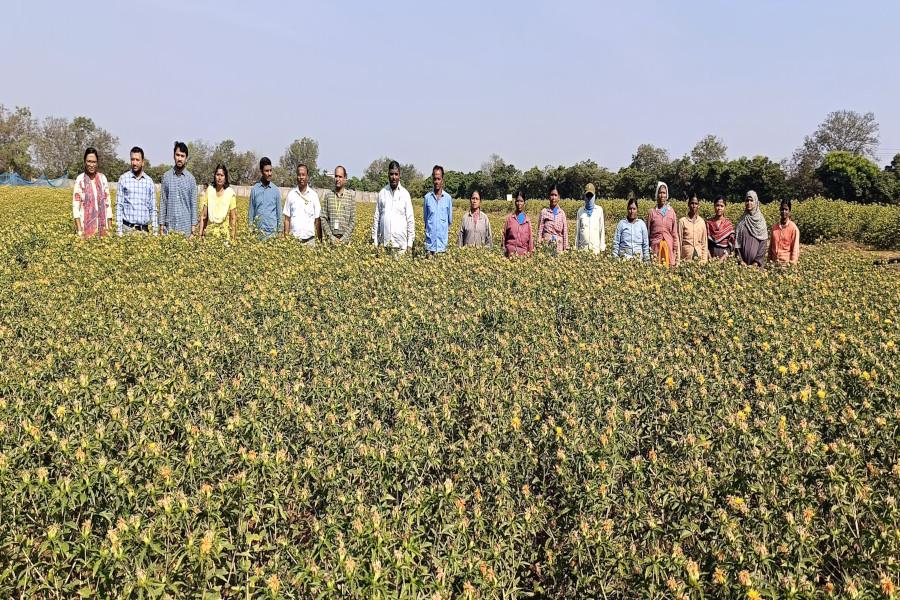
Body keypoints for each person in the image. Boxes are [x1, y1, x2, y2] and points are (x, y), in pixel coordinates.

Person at [372, 160, 414, 253]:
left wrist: (409, 245)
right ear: (388, 174)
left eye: (396, 174)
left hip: (401, 247)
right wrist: (375, 242)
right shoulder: (382, 193)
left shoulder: (405, 194)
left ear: (399, 175)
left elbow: (410, 220)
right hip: (384, 246)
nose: (394, 177)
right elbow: (376, 219)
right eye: (391, 174)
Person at [159, 141, 198, 236]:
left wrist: (193, 229)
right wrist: (161, 226)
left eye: (182, 156)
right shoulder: (166, 177)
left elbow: (194, 204)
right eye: (177, 155)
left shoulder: (191, 179)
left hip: (186, 229)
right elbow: (163, 202)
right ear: (173, 156)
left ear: (186, 158)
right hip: (169, 229)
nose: (179, 158)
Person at [116, 146, 157, 235]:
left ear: (143, 162)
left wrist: (155, 232)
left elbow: (153, 208)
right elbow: (119, 206)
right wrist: (119, 232)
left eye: (137, 160)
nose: (134, 163)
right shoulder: (123, 179)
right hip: (127, 230)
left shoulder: (149, 181)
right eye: (132, 159)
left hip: (144, 231)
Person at [72, 147, 111, 238]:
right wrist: (79, 231)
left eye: (94, 162)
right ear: (85, 162)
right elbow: (75, 207)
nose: (91, 164)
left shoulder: (102, 179)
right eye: (89, 161)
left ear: (97, 163)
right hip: (85, 230)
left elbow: (107, 205)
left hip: (102, 230)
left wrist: (109, 228)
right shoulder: (80, 180)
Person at [283, 163, 321, 245]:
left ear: (307, 176)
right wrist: (286, 239)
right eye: (299, 175)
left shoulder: (314, 195)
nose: (301, 177)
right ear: (296, 176)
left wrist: (320, 240)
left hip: (310, 241)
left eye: (303, 175)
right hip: (293, 240)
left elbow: (317, 220)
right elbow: (287, 219)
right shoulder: (291, 194)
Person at [199, 164, 237, 242]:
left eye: (222, 175)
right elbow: (204, 216)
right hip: (209, 235)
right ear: (214, 176)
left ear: (225, 177)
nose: (219, 178)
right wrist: (200, 235)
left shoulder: (230, 193)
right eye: (217, 175)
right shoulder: (209, 190)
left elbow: (233, 218)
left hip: (224, 237)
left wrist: (233, 239)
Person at [248, 157, 282, 239]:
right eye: (267, 171)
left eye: (271, 170)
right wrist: (250, 230)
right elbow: (251, 212)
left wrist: (280, 232)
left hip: (272, 234)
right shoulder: (255, 190)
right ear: (261, 171)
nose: (269, 173)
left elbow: (279, 213)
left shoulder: (275, 190)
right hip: (257, 233)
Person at [320, 165, 355, 244]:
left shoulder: (350, 197)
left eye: (340, 176)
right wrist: (331, 238)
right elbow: (323, 218)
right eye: (336, 176)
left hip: (345, 242)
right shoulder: (328, 196)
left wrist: (343, 239)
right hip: (330, 242)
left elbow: (352, 221)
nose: (337, 179)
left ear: (345, 178)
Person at [423, 165, 453, 255]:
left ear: (442, 180)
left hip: (442, 247)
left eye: (439, 179)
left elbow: (449, 221)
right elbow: (426, 219)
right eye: (435, 179)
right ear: (432, 179)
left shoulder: (448, 198)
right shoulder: (427, 198)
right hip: (429, 246)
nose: (436, 181)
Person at [647, 181, 678, 266]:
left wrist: (675, 251)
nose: (662, 195)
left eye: (664, 193)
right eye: (660, 193)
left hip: (668, 248)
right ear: (657, 195)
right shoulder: (652, 212)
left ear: (666, 195)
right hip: (655, 248)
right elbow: (648, 233)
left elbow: (674, 233)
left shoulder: (671, 212)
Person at [735, 190, 768, 267]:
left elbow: (763, 244)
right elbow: (737, 243)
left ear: (756, 202)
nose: (749, 203)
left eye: (751, 200)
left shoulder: (761, 221)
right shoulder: (742, 221)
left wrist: (756, 262)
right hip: (742, 267)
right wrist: (740, 261)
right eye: (747, 200)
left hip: (756, 267)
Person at [574, 182, 605, 254]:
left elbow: (601, 230)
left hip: (595, 251)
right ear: (584, 196)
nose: (589, 198)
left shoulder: (599, 210)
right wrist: (576, 248)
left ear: (594, 196)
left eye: (591, 196)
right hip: (582, 251)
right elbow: (577, 231)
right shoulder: (580, 211)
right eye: (587, 196)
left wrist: (602, 248)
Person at [537, 184, 568, 253]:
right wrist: (538, 246)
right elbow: (539, 231)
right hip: (546, 246)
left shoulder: (562, 213)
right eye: (551, 195)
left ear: (559, 197)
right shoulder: (544, 212)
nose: (553, 198)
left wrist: (565, 249)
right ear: (548, 196)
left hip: (559, 248)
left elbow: (565, 233)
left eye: (555, 195)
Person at [768, 199, 800, 265]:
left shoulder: (793, 228)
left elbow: (795, 249)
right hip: (773, 264)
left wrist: (792, 264)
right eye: (782, 209)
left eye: (786, 209)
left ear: (789, 211)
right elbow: (771, 247)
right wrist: (768, 262)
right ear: (780, 210)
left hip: (786, 264)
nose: (784, 212)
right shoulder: (774, 228)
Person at [679, 193, 709, 263]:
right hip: (686, 258)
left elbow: (704, 243)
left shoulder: (701, 222)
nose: (694, 206)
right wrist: (678, 260)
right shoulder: (682, 221)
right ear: (688, 204)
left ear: (698, 205)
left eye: (696, 204)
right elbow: (679, 242)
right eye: (692, 203)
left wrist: (704, 260)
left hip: (699, 258)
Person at [502, 191, 533, 257]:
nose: (519, 203)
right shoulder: (509, 219)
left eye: (521, 201)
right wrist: (503, 250)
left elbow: (530, 240)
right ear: (515, 202)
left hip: (523, 256)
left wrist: (530, 254)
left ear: (524, 203)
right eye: (517, 201)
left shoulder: (527, 221)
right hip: (510, 254)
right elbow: (504, 237)